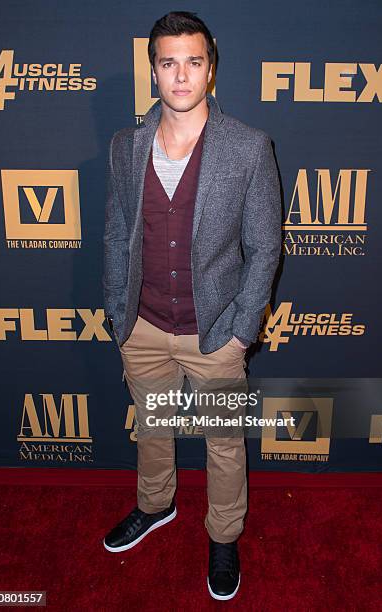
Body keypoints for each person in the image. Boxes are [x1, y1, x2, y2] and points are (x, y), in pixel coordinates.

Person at [102, 11, 281, 601]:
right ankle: (156, 505)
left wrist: (241, 331)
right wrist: (116, 315)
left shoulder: (250, 148)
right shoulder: (126, 146)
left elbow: (264, 248)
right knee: (154, 428)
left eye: (193, 61)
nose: (181, 75)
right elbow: (116, 231)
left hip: (216, 334)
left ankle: (224, 535)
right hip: (144, 326)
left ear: (211, 69)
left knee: (224, 443)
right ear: (153, 70)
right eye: (168, 62)